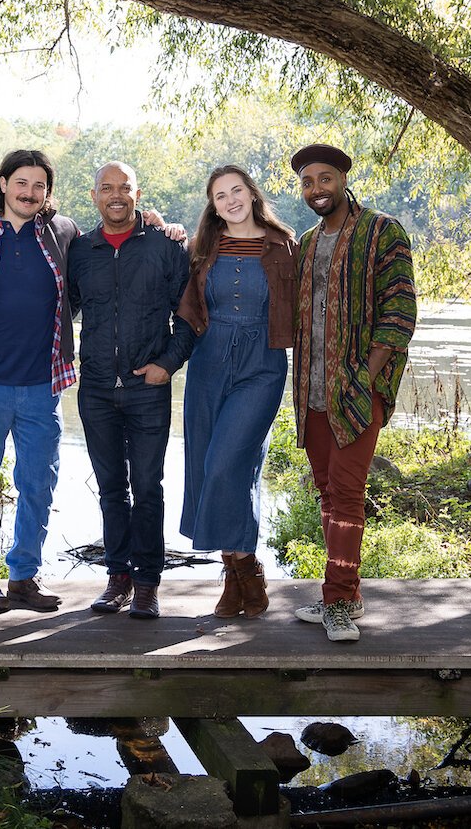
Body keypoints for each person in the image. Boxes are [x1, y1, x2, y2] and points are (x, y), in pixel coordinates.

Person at [289, 143, 417, 643]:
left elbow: (400, 311)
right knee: (327, 491)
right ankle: (346, 593)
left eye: (324, 178)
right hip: (312, 391)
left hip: (357, 391)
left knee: (347, 492)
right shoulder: (305, 242)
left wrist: (366, 375)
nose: (316, 189)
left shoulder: (382, 231)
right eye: (307, 181)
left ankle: (338, 602)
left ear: (343, 178)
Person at [0, 149, 83, 612]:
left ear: (48, 191)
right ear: (4, 183)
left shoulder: (62, 232)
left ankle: (24, 575)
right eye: (21, 183)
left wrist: (158, 224)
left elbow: (102, 261)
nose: (30, 193)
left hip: (43, 385)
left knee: (39, 484)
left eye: (39, 185)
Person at [67, 162, 195, 620]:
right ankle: (116, 577)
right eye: (107, 188)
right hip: (97, 389)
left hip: (148, 389)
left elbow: (190, 316)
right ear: (94, 194)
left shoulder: (165, 247)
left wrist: (167, 363)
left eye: (124, 188)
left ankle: (146, 584)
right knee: (109, 489)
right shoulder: (80, 251)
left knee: (147, 486)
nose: (115, 196)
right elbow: (59, 310)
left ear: (138, 193)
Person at [176, 164, 298, 618]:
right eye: (220, 195)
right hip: (208, 364)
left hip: (261, 365)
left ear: (252, 193)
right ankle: (238, 572)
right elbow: (184, 305)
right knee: (209, 467)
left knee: (230, 462)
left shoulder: (285, 245)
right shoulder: (201, 248)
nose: (230, 200)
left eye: (237, 191)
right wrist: (156, 222)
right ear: (213, 204)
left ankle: (243, 568)